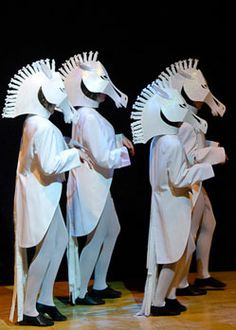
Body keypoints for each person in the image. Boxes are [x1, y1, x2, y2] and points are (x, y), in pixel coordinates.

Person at [2, 59, 93, 326]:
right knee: (46, 249)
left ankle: (45, 299)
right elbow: (50, 164)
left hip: (43, 194)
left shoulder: (35, 123)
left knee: (59, 242)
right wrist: (75, 154)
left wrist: (66, 145)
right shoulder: (42, 127)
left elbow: (44, 154)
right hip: (42, 196)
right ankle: (30, 308)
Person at [130, 81, 215, 316]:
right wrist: (208, 167)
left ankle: (167, 296)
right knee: (174, 253)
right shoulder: (172, 142)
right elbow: (179, 179)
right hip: (173, 201)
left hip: (163, 200)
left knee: (175, 251)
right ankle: (159, 301)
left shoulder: (159, 140)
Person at [59, 51, 135, 305]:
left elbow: (93, 146)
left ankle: (99, 284)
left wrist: (116, 139)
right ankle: (79, 291)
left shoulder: (85, 114)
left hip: (98, 183)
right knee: (97, 236)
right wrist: (122, 152)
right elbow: (102, 157)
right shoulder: (88, 116)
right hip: (92, 184)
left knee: (112, 230)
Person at [155, 58, 227, 295]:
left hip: (198, 181)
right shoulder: (184, 121)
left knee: (209, 223)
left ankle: (202, 274)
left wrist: (211, 145)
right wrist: (216, 153)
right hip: (189, 183)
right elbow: (188, 156)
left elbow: (194, 146)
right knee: (190, 235)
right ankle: (180, 282)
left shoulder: (192, 118)